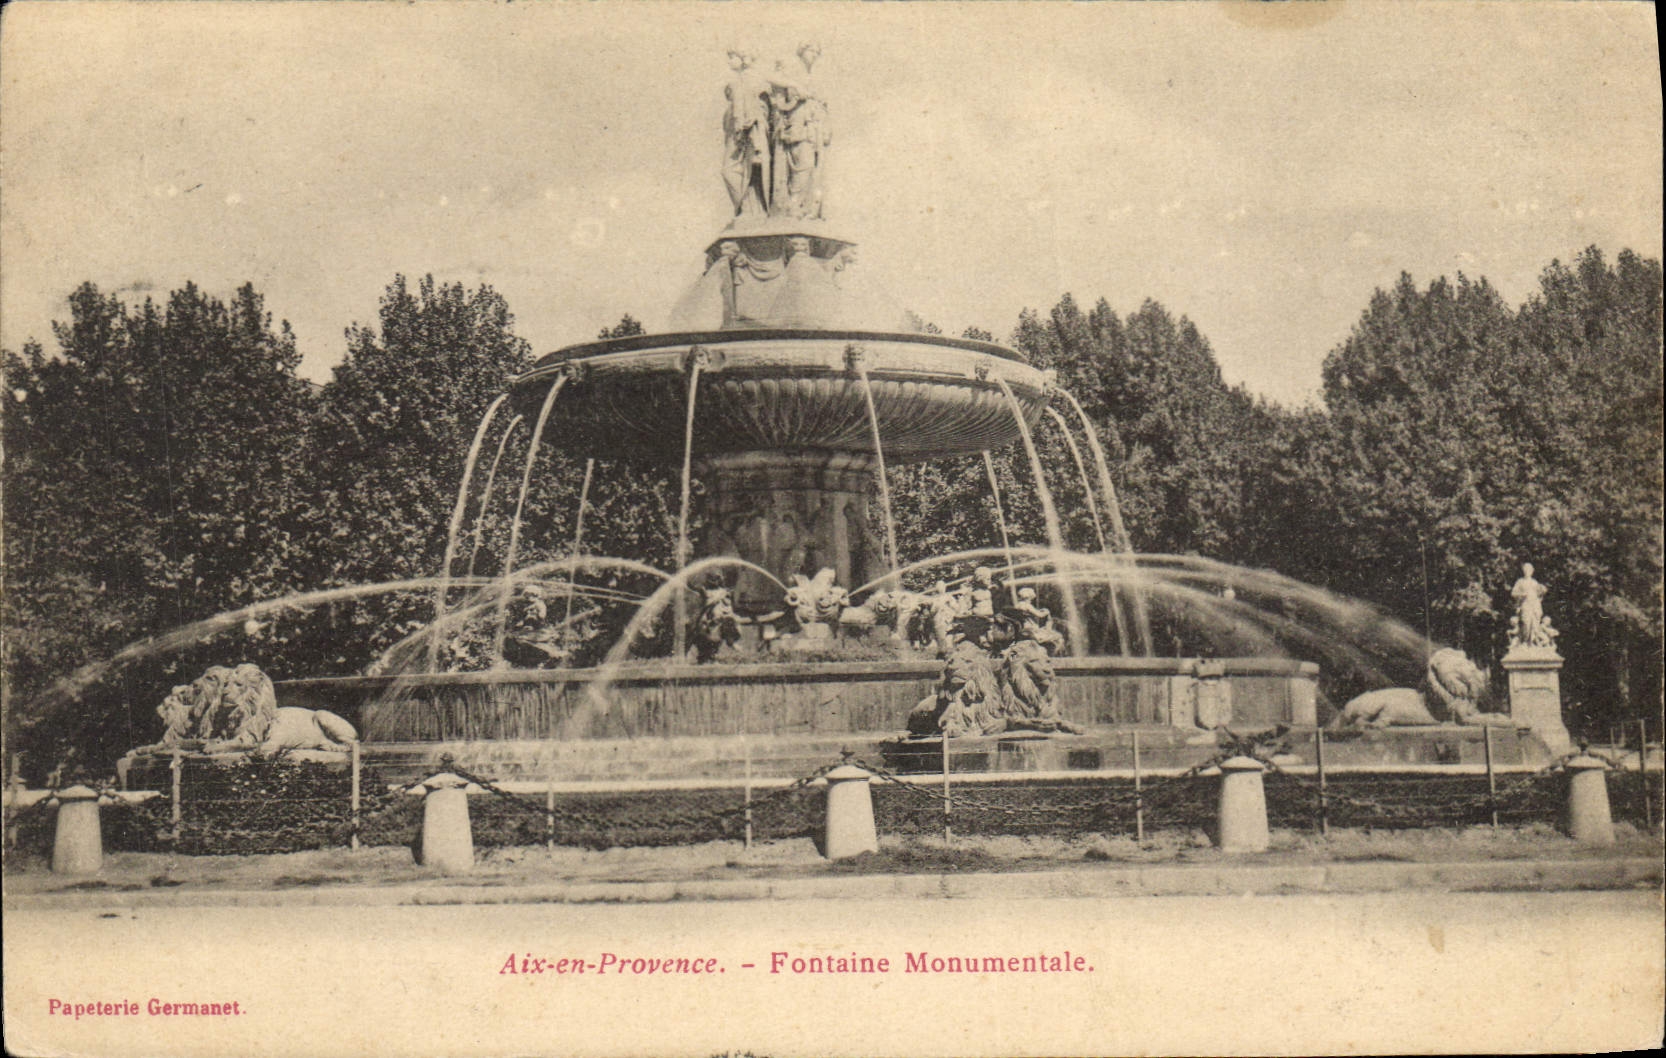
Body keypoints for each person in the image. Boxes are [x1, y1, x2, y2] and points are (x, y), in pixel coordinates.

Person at [1510, 562, 1547, 646]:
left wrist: (1542, 591)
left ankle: (1534, 642)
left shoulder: (1535, 582)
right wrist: (1522, 594)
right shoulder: (1520, 581)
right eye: (1525, 569)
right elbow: (1513, 593)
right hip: (1525, 604)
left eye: (1529, 570)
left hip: (1535, 605)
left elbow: (1540, 593)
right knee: (1526, 623)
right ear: (1523, 571)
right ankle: (1525, 642)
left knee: (1535, 624)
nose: (1527, 571)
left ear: (1532, 571)